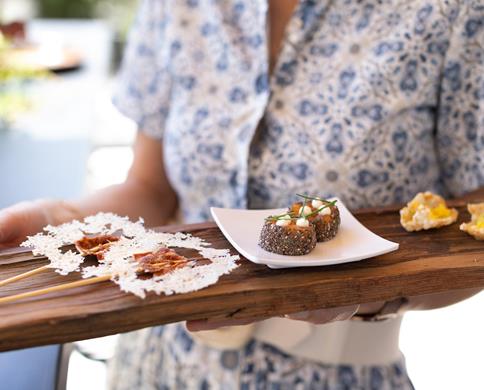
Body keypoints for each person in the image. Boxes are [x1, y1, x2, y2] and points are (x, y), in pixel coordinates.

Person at [0, 0, 483, 388]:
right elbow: (150, 189)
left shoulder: (453, 10)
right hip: (159, 368)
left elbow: (473, 234)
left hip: (340, 376)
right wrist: (61, 215)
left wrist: (369, 295)